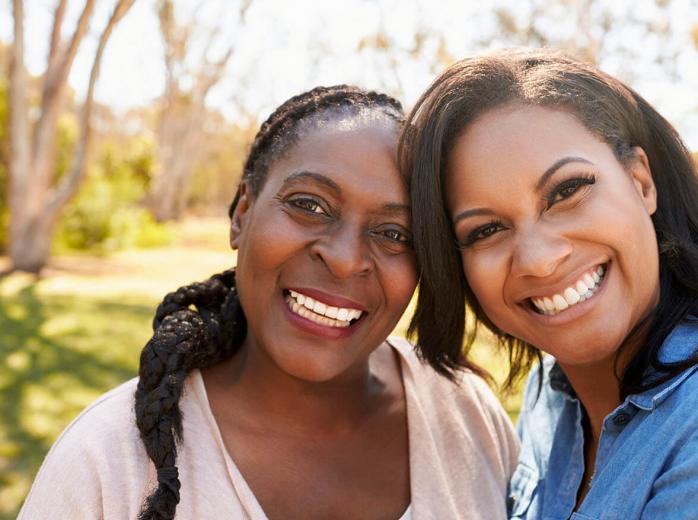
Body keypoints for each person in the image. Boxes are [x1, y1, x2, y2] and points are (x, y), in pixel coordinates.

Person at [19, 85, 518, 520]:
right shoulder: (105, 463)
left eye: (393, 233)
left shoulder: (466, 414)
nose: (345, 260)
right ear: (241, 213)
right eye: (309, 205)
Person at [399, 48, 698, 519]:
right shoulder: (548, 394)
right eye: (486, 230)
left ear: (641, 182)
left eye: (566, 191)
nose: (538, 261)